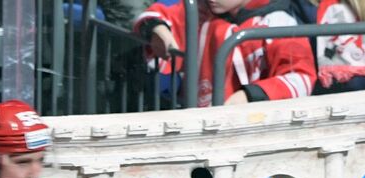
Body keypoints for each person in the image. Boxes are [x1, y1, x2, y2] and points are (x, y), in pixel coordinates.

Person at [134, 0, 317, 106]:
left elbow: (300, 77)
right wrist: (157, 29)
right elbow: (160, 15)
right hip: (203, 121)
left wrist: (251, 95)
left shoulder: (278, 21)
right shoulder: (201, 10)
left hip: (255, 130)